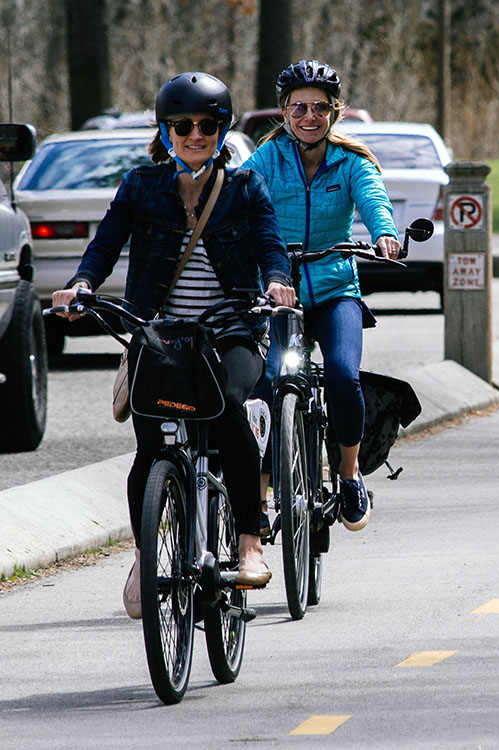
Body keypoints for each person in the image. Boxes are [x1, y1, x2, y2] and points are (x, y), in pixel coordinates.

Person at [52, 72, 296, 618]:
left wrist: (278, 281)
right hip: (159, 334)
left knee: (229, 408)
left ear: (222, 131)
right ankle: (146, 555)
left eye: (207, 126)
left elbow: (270, 245)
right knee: (151, 448)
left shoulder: (244, 188)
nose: (195, 135)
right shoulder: (141, 185)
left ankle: (250, 544)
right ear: (165, 132)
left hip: (230, 329)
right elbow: (105, 245)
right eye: (182, 126)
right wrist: (82, 285)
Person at [244, 59, 400, 534]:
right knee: (268, 383)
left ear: (335, 111)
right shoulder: (267, 160)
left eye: (319, 107)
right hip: (280, 293)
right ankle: (259, 494)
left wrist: (385, 233)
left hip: (336, 291)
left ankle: (349, 476)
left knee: (343, 376)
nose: (309, 117)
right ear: (284, 112)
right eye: (299, 108)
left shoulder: (352, 161)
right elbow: (236, 198)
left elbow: (374, 200)